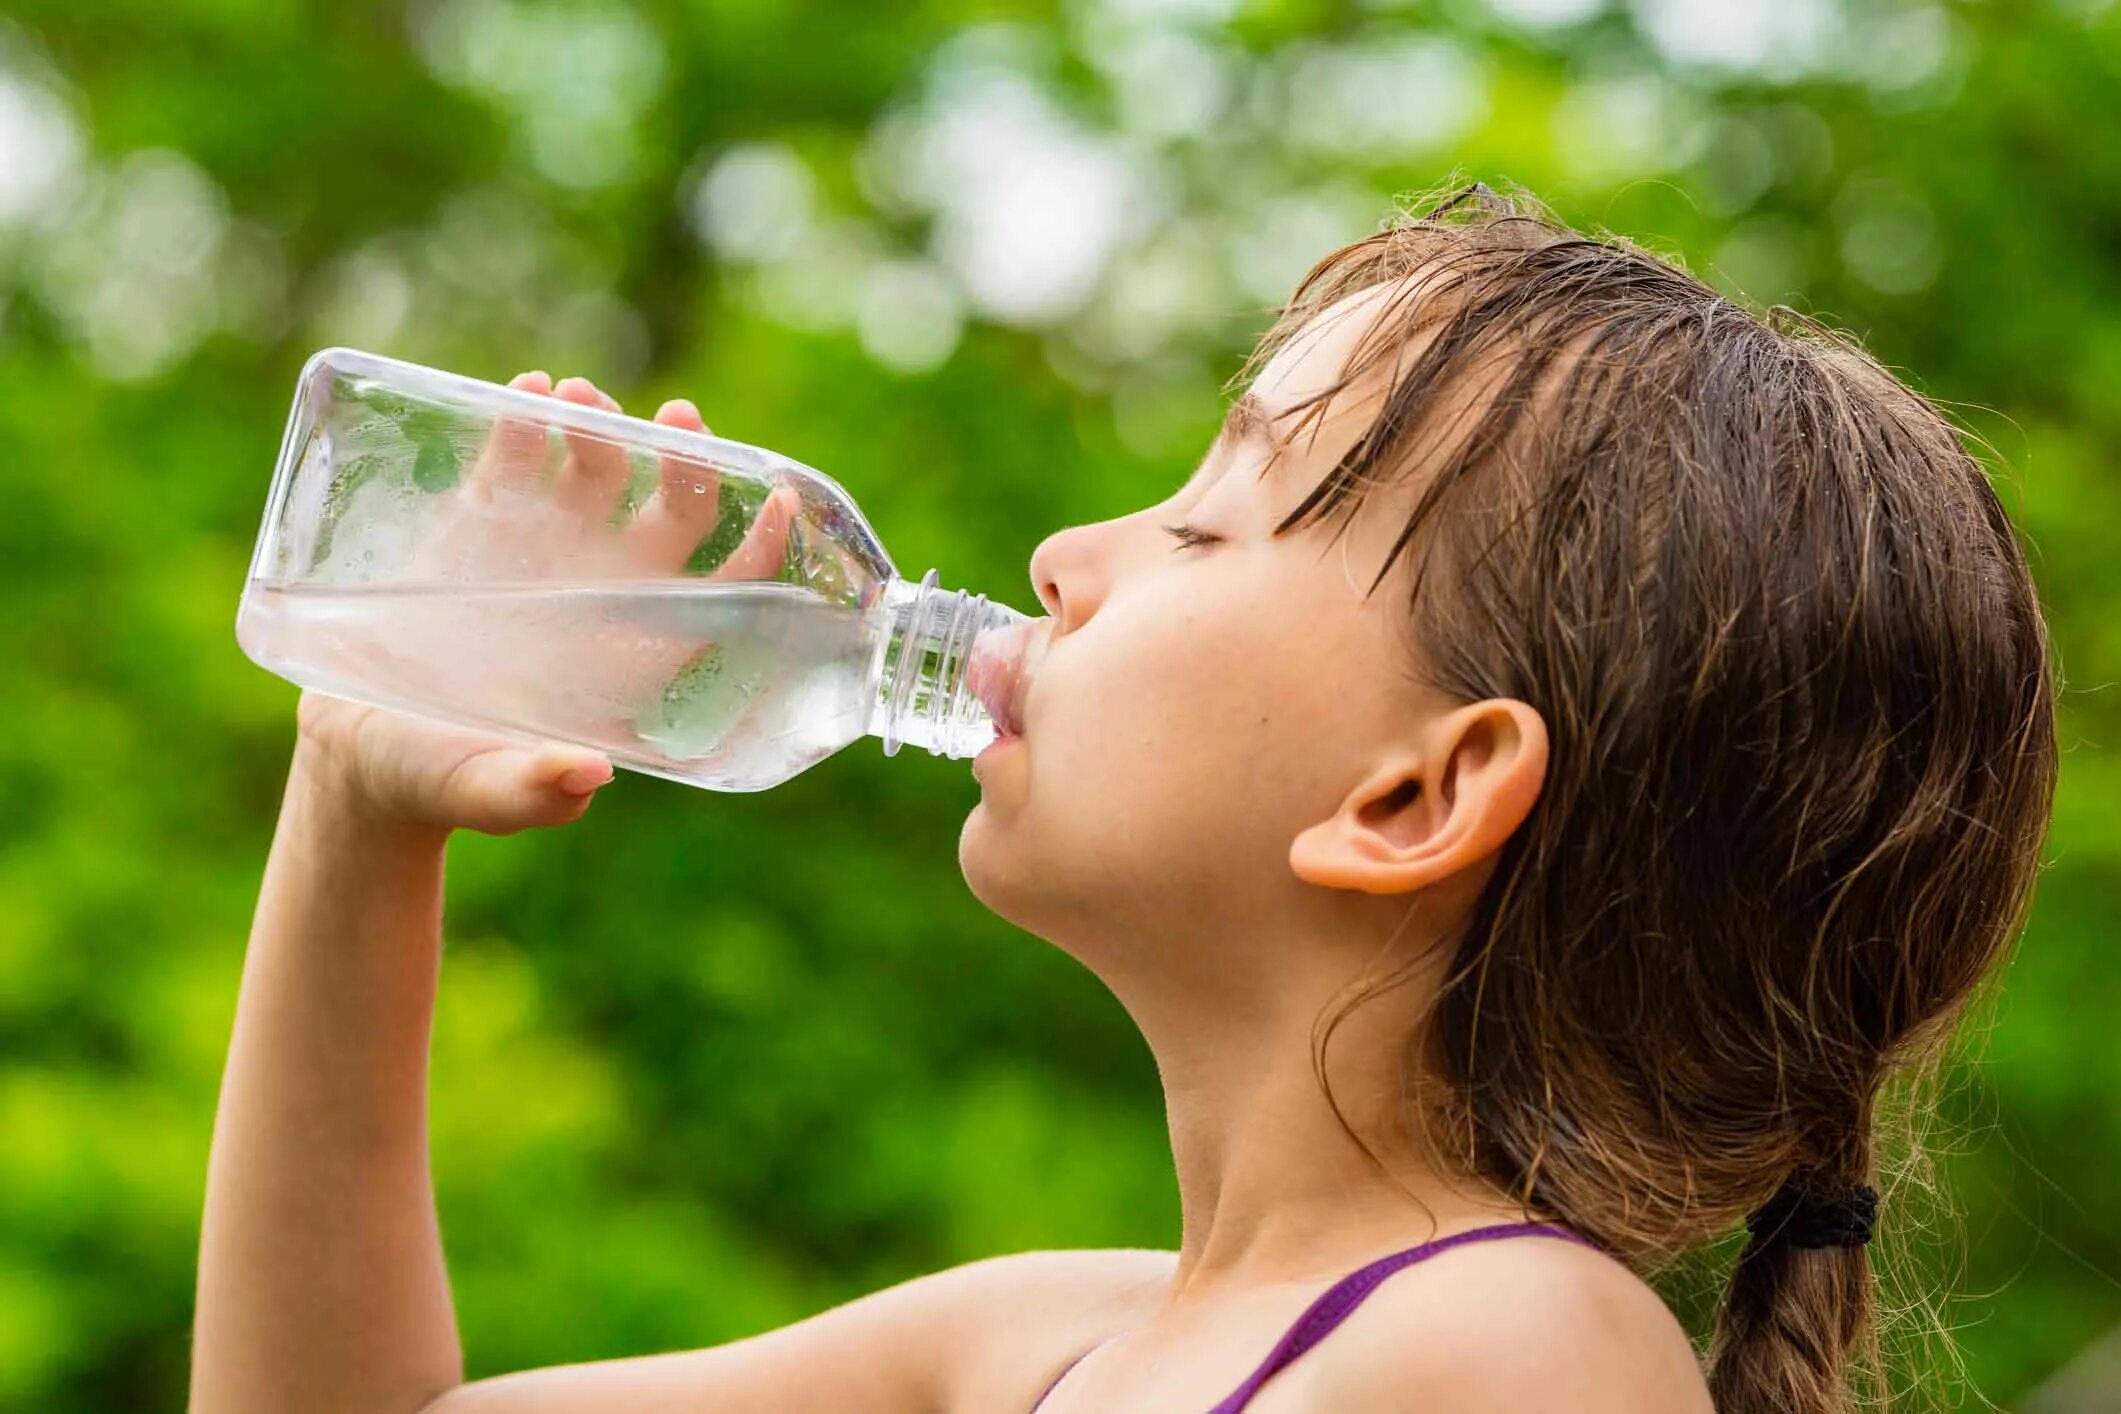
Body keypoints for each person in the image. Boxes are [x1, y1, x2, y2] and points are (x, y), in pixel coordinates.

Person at [189, 183, 2059, 1413]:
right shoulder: (1038, 1343)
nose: (1067, 552)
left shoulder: (1507, 1346)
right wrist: (362, 805)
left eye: (1207, 518)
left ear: (1417, 794)